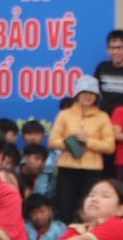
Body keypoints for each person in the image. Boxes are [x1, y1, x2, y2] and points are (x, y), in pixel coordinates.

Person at [49, 77, 116, 221]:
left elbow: (109, 146)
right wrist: (70, 142)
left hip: (92, 170)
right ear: (77, 94)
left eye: (91, 93)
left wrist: (88, 142)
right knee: (65, 206)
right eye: (84, 92)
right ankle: (65, 233)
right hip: (67, 168)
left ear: (96, 96)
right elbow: (53, 141)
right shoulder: (64, 114)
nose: (88, 96)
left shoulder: (103, 117)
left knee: (88, 207)